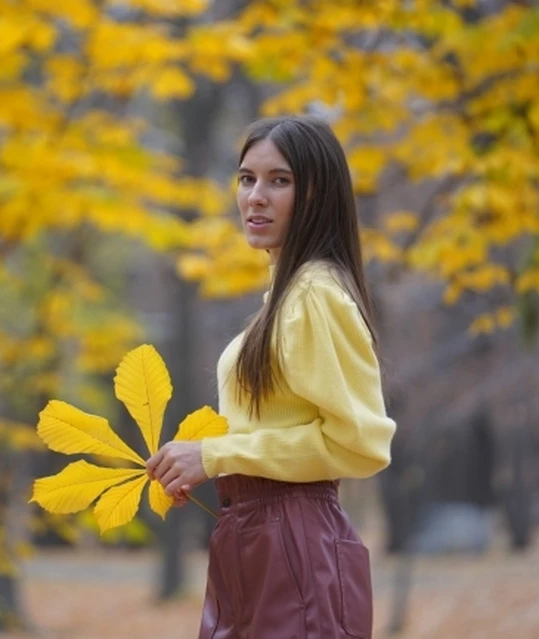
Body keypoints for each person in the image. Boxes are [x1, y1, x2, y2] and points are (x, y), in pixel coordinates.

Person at [146, 115, 397, 638]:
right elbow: (274, 427)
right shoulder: (284, 301)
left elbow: (361, 443)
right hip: (256, 538)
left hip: (293, 546)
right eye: (246, 179)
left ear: (316, 195)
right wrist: (198, 460)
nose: (256, 196)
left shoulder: (314, 296)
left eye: (279, 180)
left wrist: (216, 457)